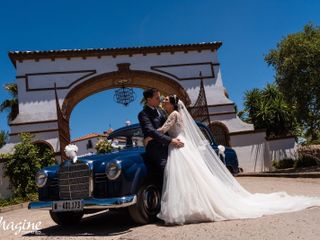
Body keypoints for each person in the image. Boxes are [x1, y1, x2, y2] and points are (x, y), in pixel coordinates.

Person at [153, 94, 320, 225]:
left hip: (179, 146)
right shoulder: (177, 113)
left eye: (166, 100)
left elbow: (164, 129)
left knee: (184, 178)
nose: (163, 102)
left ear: (173, 103)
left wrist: (149, 134)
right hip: (183, 145)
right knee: (192, 177)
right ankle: (194, 206)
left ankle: (190, 207)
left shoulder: (173, 113)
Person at [138, 88, 184, 188]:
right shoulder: (143, 114)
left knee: (180, 172)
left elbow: (168, 127)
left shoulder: (161, 111)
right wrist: (171, 140)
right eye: (157, 98)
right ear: (149, 100)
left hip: (170, 147)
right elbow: (150, 131)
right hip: (157, 150)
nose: (160, 100)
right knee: (168, 173)